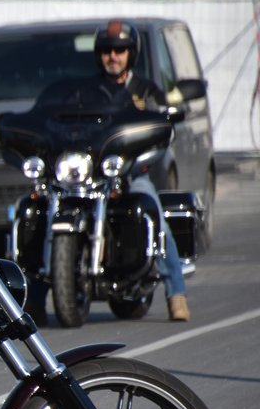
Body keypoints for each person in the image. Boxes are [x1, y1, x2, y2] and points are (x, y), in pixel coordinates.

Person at [25, 19, 190, 324]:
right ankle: (34, 298)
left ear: (131, 54)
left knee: (154, 213)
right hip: (90, 173)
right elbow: (67, 124)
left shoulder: (146, 90)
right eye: (107, 51)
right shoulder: (87, 91)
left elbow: (163, 128)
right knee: (42, 216)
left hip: (131, 173)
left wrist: (145, 153)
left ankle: (176, 294)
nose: (113, 56)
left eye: (120, 50)